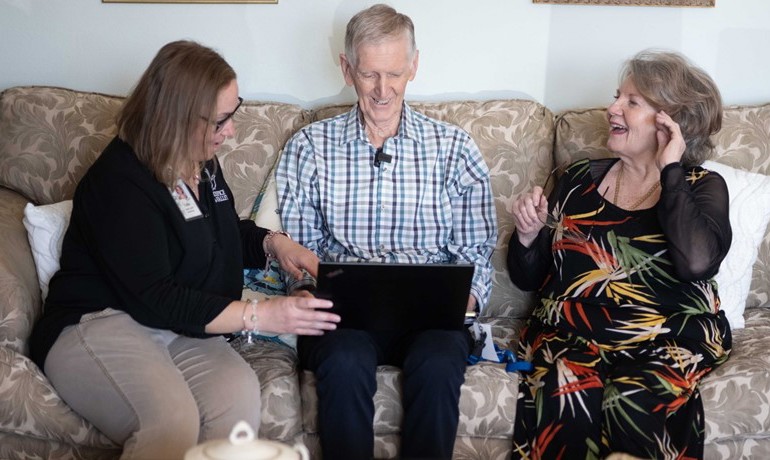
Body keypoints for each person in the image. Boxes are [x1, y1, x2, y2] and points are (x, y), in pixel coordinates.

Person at [29, 40, 339, 460]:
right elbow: (157, 294)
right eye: (220, 121)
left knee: (238, 401)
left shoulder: (201, 162)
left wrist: (275, 244)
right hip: (101, 320)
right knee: (172, 422)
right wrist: (260, 314)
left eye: (233, 113)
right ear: (175, 117)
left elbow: (222, 233)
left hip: (178, 324)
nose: (231, 131)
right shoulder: (120, 182)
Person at [275, 4, 497, 459]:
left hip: (430, 320)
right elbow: (299, 250)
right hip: (343, 319)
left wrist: (466, 299)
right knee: (343, 359)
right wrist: (303, 289)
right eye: (369, 74)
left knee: (439, 363)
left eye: (394, 73)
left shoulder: (454, 148)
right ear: (347, 69)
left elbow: (476, 252)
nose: (382, 89)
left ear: (414, 66)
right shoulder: (310, 147)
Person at [508, 50, 732, 459]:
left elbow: (696, 263)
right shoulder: (577, 180)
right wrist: (528, 235)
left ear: (669, 122)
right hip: (571, 332)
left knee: (634, 397)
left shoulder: (701, 186)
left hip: (665, 336)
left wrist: (670, 168)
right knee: (564, 389)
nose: (612, 109)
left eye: (632, 102)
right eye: (617, 97)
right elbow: (532, 280)